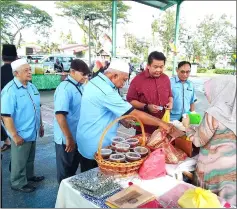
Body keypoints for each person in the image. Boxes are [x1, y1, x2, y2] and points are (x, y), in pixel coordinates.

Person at [76, 58, 184, 172]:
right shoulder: (105, 90)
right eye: (123, 80)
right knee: (95, 178)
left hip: (86, 136)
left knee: (88, 172)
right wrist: (162, 124)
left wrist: (121, 120)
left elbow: (100, 109)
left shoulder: (96, 81)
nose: (123, 85)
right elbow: (134, 113)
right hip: (96, 143)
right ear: (114, 76)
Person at [186, 75, 236, 205]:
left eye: (209, 91)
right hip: (232, 169)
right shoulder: (233, 112)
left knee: (207, 202)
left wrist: (187, 127)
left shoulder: (215, 112)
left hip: (212, 169)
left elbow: (198, 141)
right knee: (225, 203)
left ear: (220, 90)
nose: (207, 95)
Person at [1, 59, 45, 193]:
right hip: (20, 132)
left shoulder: (31, 87)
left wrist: (41, 125)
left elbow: (37, 107)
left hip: (32, 130)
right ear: (16, 73)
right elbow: (5, 115)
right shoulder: (10, 90)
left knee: (30, 157)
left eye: (30, 69)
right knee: (19, 160)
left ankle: (28, 176)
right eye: (26, 70)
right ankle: (18, 182)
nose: (30, 72)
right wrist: (14, 135)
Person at [54, 59, 90, 183]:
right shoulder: (65, 88)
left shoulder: (80, 86)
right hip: (66, 139)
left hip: (76, 136)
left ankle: (70, 197)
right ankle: (62, 199)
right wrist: (68, 137)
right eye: (83, 74)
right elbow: (60, 115)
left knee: (73, 170)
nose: (85, 77)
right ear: (72, 71)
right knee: (66, 172)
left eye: (87, 75)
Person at [126, 51, 173, 135]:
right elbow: (131, 101)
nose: (158, 70)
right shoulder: (138, 80)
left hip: (163, 126)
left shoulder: (166, 79)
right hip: (144, 128)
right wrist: (146, 107)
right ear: (148, 65)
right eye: (155, 67)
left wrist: (170, 102)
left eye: (161, 67)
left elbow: (170, 95)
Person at [1, 44, 18, 152]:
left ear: (2, 57)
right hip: (21, 112)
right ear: (16, 56)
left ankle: (7, 140)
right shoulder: (21, 72)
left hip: (4, 112)